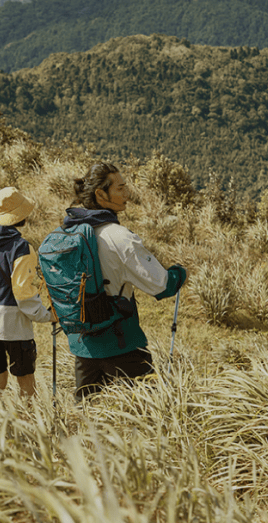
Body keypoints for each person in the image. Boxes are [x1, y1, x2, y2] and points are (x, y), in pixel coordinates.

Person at [61, 162, 186, 401]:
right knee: (151, 409)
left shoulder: (68, 233)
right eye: (120, 188)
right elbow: (161, 285)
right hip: (119, 342)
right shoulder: (119, 237)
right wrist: (179, 274)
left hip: (82, 343)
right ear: (100, 194)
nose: (127, 194)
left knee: (88, 413)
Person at [0, 187, 56, 397]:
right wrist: (46, 315)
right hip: (12, 323)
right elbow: (24, 293)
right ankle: (28, 421)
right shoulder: (21, 248)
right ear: (21, 216)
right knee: (25, 378)